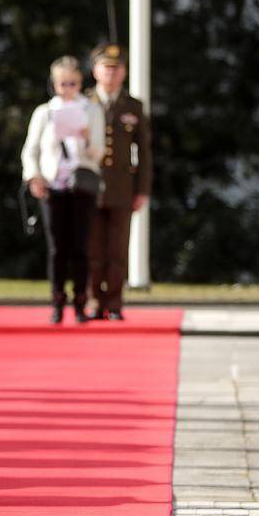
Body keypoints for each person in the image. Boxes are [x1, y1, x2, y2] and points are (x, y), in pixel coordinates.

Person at [20, 55, 104, 323]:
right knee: (57, 247)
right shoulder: (44, 113)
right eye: (62, 84)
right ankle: (57, 300)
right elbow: (30, 150)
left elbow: (99, 153)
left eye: (73, 83)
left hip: (81, 183)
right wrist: (34, 177)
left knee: (81, 246)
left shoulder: (91, 111)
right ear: (54, 84)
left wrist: (86, 138)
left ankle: (80, 301)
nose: (68, 89)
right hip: (53, 184)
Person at [84, 43, 151, 321]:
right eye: (106, 67)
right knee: (92, 248)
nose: (111, 73)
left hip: (123, 187)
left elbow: (144, 152)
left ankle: (114, 302)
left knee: (117, 248)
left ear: (123, 73)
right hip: (89, 185)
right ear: (95, 71)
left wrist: (143, 189)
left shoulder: (132, 106)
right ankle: (92, 300)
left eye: (116, 68)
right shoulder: (85, 102)